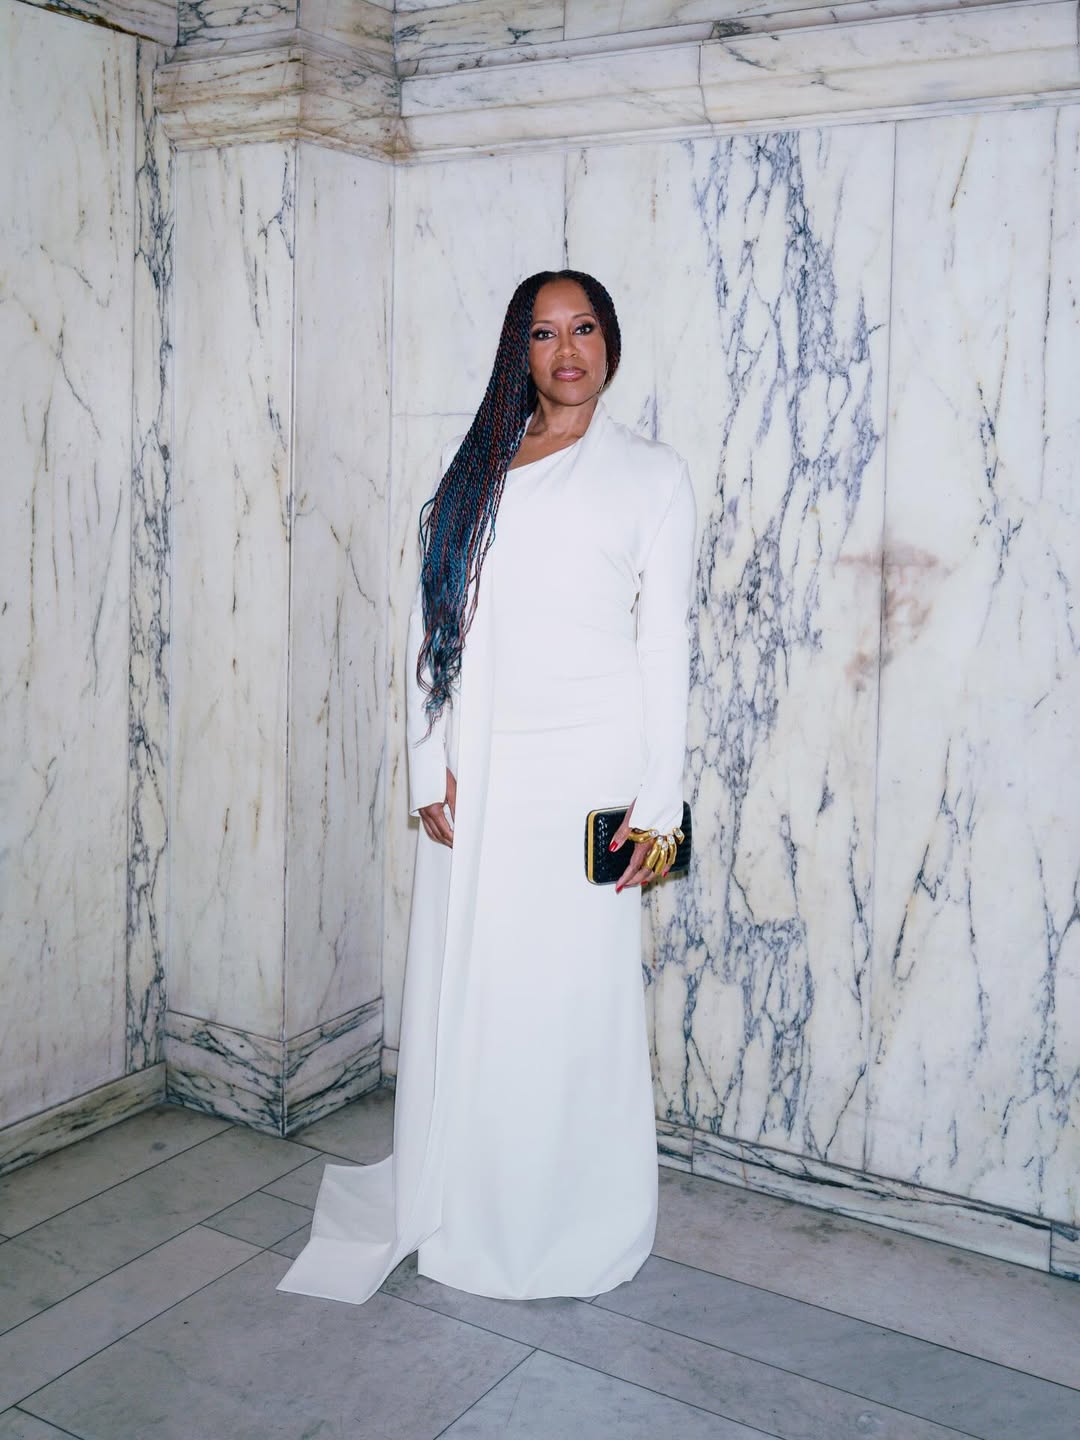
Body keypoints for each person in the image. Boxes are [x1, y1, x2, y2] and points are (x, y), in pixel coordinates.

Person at [278, 269, 696, 1305]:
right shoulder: (479, 469)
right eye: (545, 332)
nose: (567, 350)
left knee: (571, 998)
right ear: (521, 352)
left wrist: (659, 808)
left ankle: (570, 1211)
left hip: (592, 775)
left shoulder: (654, 476)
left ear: (610, 341)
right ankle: (466, 1192)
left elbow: (667, 648)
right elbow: (434, 626)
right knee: (477, 989)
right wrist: (430, 760)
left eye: (584, 327)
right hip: (482, 771)